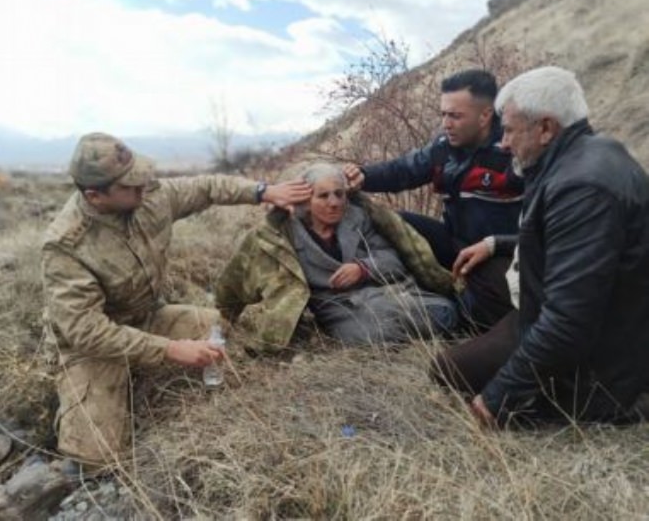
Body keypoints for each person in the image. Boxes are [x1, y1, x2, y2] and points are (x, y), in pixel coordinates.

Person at [42, 132, 312, 469]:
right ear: (95, 196)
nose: (144, 187)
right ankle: (85, 393)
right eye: (130, 186)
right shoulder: (66, 245)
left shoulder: (149, 197)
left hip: (146, 317)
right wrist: (170, 350)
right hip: (94, 347)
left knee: (216, 327)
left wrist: (262, 192)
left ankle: (138, 377)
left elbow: (206, 187)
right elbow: (85, 331)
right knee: (97, 459)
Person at [430, 66, 649, 427]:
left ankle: (627, 404)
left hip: (601, 354)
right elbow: (567, 242)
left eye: (511, 130)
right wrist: (495, 243)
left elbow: (568, 319)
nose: (502, 143)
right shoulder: (590, 156)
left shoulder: (582, 188)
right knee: (477, 287)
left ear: (545, 128)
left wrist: (500, 395)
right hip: (579, 312)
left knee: (449, 373)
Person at [343, 69, 523, 328]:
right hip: (456, 245)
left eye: (455, 116)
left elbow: (544, 226)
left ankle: (466, 311)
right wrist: (362, 175)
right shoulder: (444, 147)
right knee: (396, 223)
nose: (446, 124)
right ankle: (397, 294)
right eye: (443, 114)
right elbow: (403, 171)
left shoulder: (514, 152)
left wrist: (498, 245)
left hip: (500, 254)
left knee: (471, 318)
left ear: (485, 116)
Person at [215, 163, 459, 350]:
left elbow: (393, 259)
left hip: (384, 293)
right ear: (306, 201)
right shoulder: (282, 236)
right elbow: (239, 276)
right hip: (337, 309)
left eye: (339, 194)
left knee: (445, 311)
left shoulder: (359, 218)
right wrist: (221, 317)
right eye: (323, 196)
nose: (334, 203)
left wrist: (363, 269)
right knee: (370, 335)